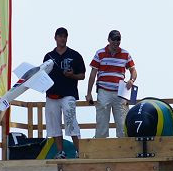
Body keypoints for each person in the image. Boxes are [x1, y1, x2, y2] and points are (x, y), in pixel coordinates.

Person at [43, 27, 86, 159]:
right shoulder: (48, 56)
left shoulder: (75, 55)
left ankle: (80, 151)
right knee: (53, 123)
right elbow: (42, 74)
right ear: (55, 38)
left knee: (70, 120)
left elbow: (82, 75)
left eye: (64, 36)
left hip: (68, 93)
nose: (62, 38)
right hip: (51, 95)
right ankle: (60, 152)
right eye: (60, 36)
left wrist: (72, 76)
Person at [86, 30, 137, 138]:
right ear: (108, 39)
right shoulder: (100, 53)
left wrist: (131, 80)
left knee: (123, 123)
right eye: (113, 39)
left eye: (118, 40)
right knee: (102, 123)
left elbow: (133, 70)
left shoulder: (125, 54)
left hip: (120, 92)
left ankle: (124, 150)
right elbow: (92, 74)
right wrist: (89, 93)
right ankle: (101, 151)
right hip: (104, 90)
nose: (116, 42)